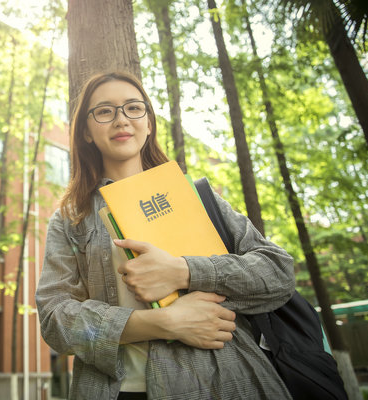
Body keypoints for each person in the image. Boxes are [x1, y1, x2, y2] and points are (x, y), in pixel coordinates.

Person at [35, 71, 296, 400]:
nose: (121, 120)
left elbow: (279, 273)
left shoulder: (196, 196)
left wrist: (183, 270)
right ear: (86, 132)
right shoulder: (71, 218)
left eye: (133, 108)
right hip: (114, 390)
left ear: (148, 122)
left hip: (226, 382)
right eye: (104, 111)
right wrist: (163, 322)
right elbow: (55, 319)